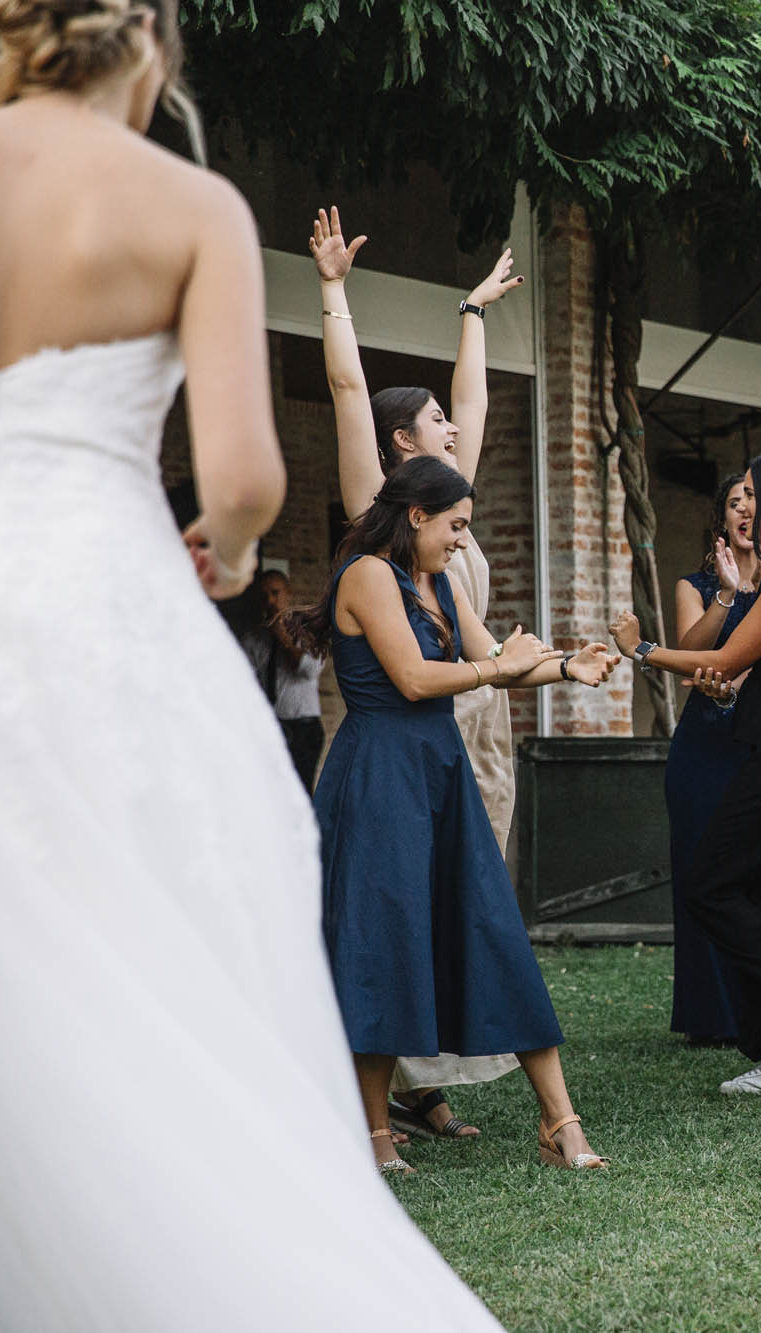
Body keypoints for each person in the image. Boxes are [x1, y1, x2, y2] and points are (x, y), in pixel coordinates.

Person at [0, 4, 506, 1321]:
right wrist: (229, 546)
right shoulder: (184, 202)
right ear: (144, 40)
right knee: (141, 939)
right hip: (90, 603)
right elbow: (248, 474)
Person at [288, 458, 619, 1171]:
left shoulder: (437, 582)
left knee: (492, 928)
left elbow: (495, 655)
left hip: (440, 773)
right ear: (417, 515)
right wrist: (499, 670)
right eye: (457, 526)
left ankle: (561, 1121)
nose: (463, 541)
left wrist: (565, 665)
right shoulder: (368, 574)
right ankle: (373, 1129)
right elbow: (413, 677)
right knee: (383, 942)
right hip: (378, 777)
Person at [310, 204, 530, 1137]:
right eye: (435, 419)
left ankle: (418, 1078)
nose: (451, 420)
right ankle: (378, 1084)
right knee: (395, 895)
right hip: (401, 720)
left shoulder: (451, 506)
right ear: (406, 445)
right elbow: (351, 394)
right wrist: (332, 293)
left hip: (475, 728)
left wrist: (473, 313)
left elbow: (475, 403)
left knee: (460, 894)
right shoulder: (380, 509)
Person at [612, 449, 761, 1096]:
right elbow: (738, 670)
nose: (746, 505)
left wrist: (640, 647)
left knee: (710, 882)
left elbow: (728, 654)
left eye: (754, 493)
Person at [662, 473, 759, 1047]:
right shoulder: (693, 584)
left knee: (758, 875)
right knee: (702, 870)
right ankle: (710, 1013)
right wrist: (725, 594)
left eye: (754, 501)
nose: (744, 510)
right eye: (733, 502)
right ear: (721, 518)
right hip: (704, 745)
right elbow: (688, 656)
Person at [246, 569, 328, 790]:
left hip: (303, 729)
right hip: (271, 727)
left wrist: (281, 636)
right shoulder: (254, 638)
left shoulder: (307, 631)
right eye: (265, 596)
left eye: (275, 593)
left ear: (288, 593)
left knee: (301, 794)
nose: (270, 601)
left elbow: (309, 670)